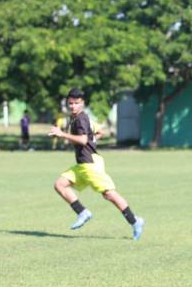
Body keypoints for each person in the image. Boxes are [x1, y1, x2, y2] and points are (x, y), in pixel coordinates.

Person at [49, 88, 144, 240]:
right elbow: (99, 132)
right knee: (59, 184)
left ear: (82, 103)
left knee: (109, 195)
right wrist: (93, 140)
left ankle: (135, 221)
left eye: (76, 103)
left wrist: (62, 134)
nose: (73, 106)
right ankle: (82, 212)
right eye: (70, 103)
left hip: (90, 165)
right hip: (82, 165)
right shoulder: (79, 118)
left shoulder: (80, 119)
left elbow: (82, 140)